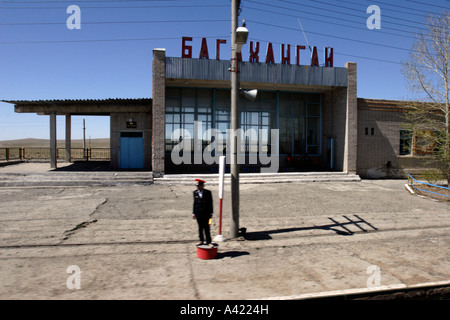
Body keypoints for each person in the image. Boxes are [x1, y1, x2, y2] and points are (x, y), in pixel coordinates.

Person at [192, 179, 214, 247]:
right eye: (197, 186)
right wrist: (193, 213)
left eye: (199, 185)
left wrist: (211, 212)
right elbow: (195, 203)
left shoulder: (208, 192)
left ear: (202, 185)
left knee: (207, 227)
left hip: (206, 213)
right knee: (200, 227)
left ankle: (209, 241)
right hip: (198, 213)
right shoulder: (195, 192)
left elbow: (210, 202)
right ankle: (201, 240)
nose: (198, 187)